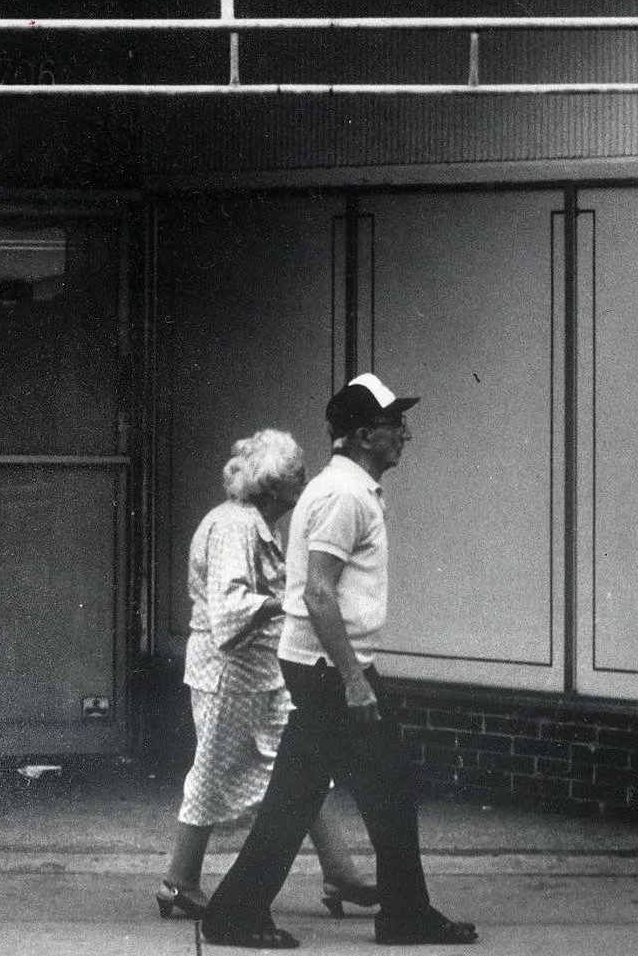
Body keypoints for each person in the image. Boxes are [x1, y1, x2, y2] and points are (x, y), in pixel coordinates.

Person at [200, 374, 478, 951]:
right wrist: (355, 680)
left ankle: (243, 912)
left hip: (325, 665)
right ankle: (390, 915)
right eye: (391, 424)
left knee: (344, 791)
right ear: (359, 436)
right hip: (331, 669)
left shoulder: (349, 490)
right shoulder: (344, 496)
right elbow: (319, 593)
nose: (404, 433)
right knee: (355, 791)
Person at [158, 427, 377, 923]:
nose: (303, 479)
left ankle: (340, 871)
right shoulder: (234, 526)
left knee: (304, 764)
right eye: (295, 473)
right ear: (272, 483)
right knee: (214, 773)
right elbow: (229, 607)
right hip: (229, 674)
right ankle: (180, 880)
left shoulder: (260, 527)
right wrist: (289, 601)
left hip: (258, 674)